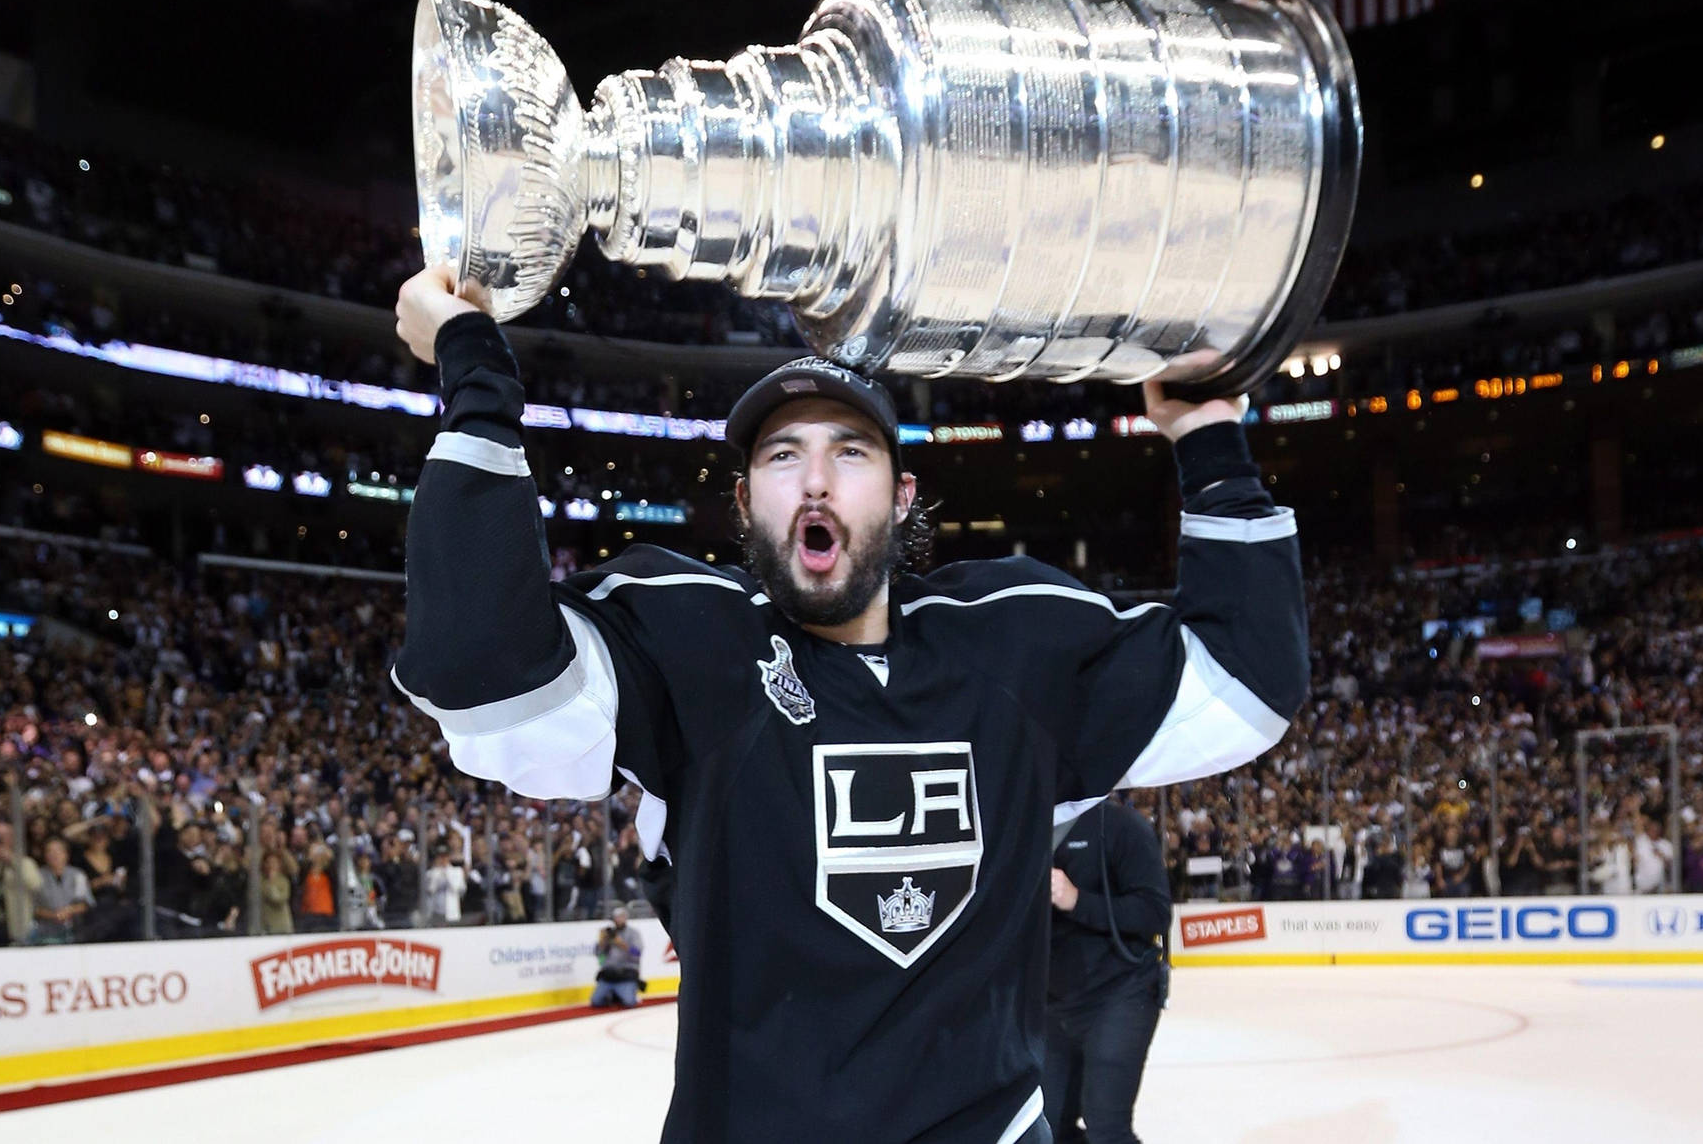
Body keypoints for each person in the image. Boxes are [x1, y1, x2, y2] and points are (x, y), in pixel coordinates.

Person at [391, 265, 1309, 1144]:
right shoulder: (688, 646)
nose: (817, 480)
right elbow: (486, 677)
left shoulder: (1015, 642)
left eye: (851, 450)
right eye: (784, 455)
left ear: (902, 496)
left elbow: (1247, 680)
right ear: (746, 500)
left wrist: (1211, 439)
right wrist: (475, 374)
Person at [1043, 799, 1170, 1144]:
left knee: (1106, 1127)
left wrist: (1077, 900)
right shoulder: (1023, 824)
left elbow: (1156, 913)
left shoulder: (1121, 825)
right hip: (1051, 1003)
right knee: (1047, 1128)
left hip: (1121, 994)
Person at [29, 837, 92, 945]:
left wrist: (69, 911)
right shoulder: (36, 875)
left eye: (58, 850)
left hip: (74, 930)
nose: (54, 854)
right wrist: (53, 915)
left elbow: (85, 903)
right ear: (45, 855)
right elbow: (32, 907)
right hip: (44, 931)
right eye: (50, 851)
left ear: (66, 854)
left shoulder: (77, 875)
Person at [592, 905, 644, 1008]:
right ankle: (612, 994)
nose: (618, 919)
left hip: (626, 972)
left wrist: (621, 943)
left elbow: (637, 953)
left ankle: (625, 991)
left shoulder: (633, 933)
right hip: (608, 973)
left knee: (629, 1002)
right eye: (616, 917)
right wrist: (602, 941)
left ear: (625, 917)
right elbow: (598, 954)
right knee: (596, 1002)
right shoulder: (608, 933)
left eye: (621, 917)